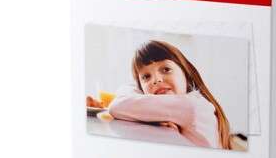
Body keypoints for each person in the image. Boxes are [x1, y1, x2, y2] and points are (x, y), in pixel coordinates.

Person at [86, 40, 233, 150]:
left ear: (186, 74)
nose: (156, 80)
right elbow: (127, 89)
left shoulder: (191, 106)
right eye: (146, 77)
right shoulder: (187, 105)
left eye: (166, 69)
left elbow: (117, 106)